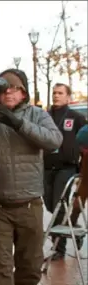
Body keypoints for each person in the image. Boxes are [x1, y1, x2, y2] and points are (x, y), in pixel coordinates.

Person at [0, 69, 63, 285]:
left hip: (30, 205)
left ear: (24, 92)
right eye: (3, 88)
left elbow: (54, 140)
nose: (9, 91)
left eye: (15, 87)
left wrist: (17, 123)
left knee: (30, 268)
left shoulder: (37, 114)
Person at [43, 83, 87, 259]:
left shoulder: (76, 117)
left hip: (67, 168)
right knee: (48, 203)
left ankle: (58, 249)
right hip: (47, 167)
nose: (56, 96)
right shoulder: (45, 116)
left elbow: (84, 142)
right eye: (54, 93)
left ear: (68, 97)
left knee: (57, 205)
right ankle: (74, 229)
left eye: (60, 93)